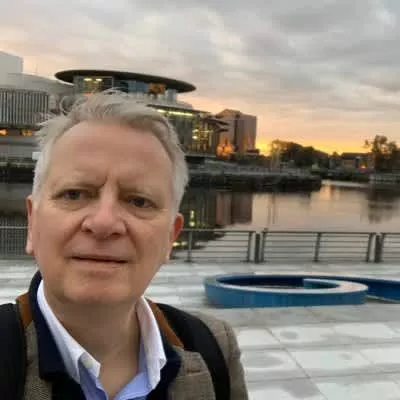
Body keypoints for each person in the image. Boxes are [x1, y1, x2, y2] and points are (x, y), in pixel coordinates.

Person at [4, 91, 248, 399]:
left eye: (139, 201)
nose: (104, 223)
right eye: (74, 194)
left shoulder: (213, 348)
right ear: (33, 222)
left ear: (170, 237)